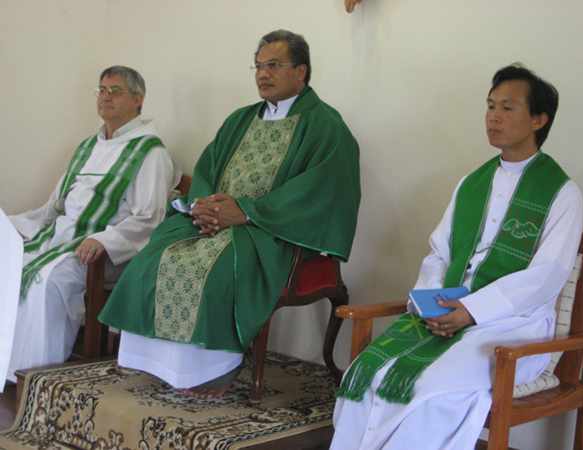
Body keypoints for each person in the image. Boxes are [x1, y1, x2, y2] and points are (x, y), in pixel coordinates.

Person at [331, 64, 583, 450]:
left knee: (428, 386)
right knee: (365, 373)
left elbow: (546, 276)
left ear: (538, 119)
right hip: (446, 315)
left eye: (507, 108)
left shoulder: (562, 193)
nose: (493, 117)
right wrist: (433, 304)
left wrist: (472, 311)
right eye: (490, 106)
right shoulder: (472, 184)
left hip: (512, 327)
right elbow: (440, 251)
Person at [98, 30, 361, 391]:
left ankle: (205, 373)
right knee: (154, 254)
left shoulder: (326, 127)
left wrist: (248, 212)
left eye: (273, 65)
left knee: (214, 270)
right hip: (214, 222)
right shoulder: (241, 119)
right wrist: (204, 207)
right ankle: (157, 365)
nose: (262, 74)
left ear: (301, 71)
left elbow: (321, 190)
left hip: (271, 232)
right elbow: (208, 168)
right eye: (258, 66)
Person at [0, 66, 180, 392]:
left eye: (115, 91)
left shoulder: (150, 152)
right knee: (10, 265)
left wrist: (104, 240)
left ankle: (37, 372)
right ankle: (5, 363)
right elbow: (55, 206)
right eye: (102, 90)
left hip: (104, 253)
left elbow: (148, 218)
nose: (106, 97)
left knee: (49, 278)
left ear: (138, 100)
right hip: (61, 238)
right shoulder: (88, 147)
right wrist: (13, 225)